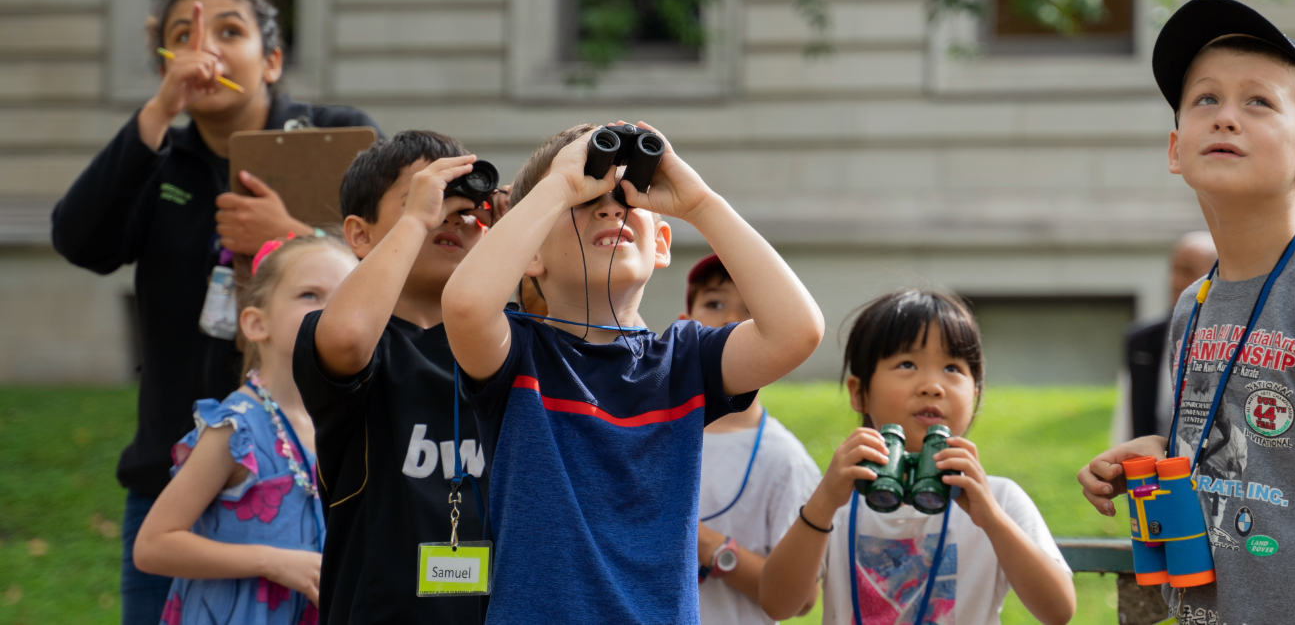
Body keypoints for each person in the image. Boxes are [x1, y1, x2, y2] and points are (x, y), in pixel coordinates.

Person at [49, 0, 381, 625]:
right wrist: (156, 112)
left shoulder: (337, 136)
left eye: (230, 30)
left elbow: (389, 266)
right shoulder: (157, 158)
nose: (208, 48)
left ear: (273, 58)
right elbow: (80, 241)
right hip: (179, 470)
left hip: (317, 466)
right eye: (183, 37)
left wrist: (288, 236)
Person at [441, 121, 825, 624]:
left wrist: (700, 203)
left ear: (662, 244)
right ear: (529, 251)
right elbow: (466, 305)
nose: (609, 207)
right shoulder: (519, 352)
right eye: (585, 202)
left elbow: (796, 331)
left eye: (630, 200)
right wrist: (557, 185)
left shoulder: (685, 362)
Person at [1078, 0, 1295, 621]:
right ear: (1176, 149)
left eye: (1259, 101)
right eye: (1206, 99)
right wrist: (1162, 450)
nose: (1227, 116)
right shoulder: (1191, 306)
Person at [760, 290, 1075, 625]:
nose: (932, 386)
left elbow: (1058, 611)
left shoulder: (999, 499)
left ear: (975, 395)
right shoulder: (832, 495)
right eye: (907, 364)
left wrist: (993, 520)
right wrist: (822, 504)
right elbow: (778, 605)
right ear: (859, 392)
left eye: (952, 367)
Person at [292, 131, 497, 623]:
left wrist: (518, 236)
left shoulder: (505, 344)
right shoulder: (359, 340)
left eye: (467, 207)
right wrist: (416, 220)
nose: (451, 214)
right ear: (360, 235)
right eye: (429, 197)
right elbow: (345, 339)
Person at [133, 232, 358, 625]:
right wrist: (272, 561)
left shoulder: (345, 425)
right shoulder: (236, 429)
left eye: (346, 296)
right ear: (256, 323)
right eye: (310, 295)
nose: (330, 310)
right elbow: (153, 545)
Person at [682, 253, 822, 624]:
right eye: (714, 303)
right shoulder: (651, 431)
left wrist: (709, 547)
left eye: (750, 309)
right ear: (685, 325)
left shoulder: (785, 460)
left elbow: (803, 599)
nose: (730, 320)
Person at [1110, 232, 1218, 443]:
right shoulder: (1143, 340)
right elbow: (1126, 417)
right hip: (1152, 469)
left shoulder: (1234, 340)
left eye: (1188, 271)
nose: (1174, 280)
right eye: (1173, 269)